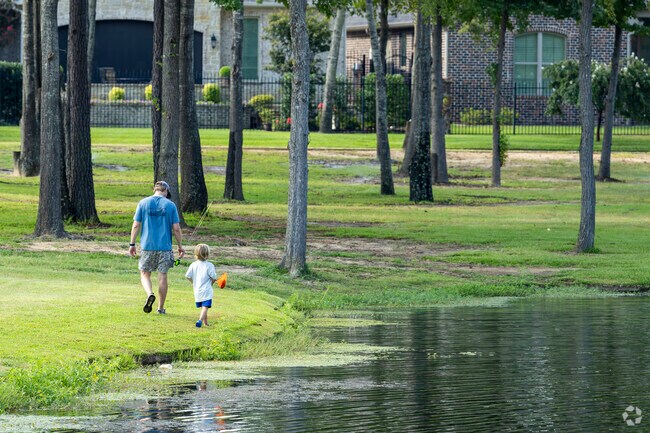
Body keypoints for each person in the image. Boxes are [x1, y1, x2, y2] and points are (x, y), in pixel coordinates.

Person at [129, 181, 185, 314]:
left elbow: (136, 225)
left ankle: (149, 294)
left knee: (144, 273)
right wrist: (180, 246)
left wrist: (132, 244)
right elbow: (176, 228)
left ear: (155, 189)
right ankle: (160, 308)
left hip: (147, 246)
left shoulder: (143, 203)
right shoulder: (170, 205)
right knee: (163, 276)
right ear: (166, 191)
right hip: (165, 247)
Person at [185, 244, 217, 328]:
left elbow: (187, 276)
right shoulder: (209, 265)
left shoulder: (193, 265)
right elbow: (214, 277)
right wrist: (212, 283)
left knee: (202, 307)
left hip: (197, 290)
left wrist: (193, 282)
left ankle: (205, 323)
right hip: (207, 290)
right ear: (207, 254)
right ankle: (200, 320)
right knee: (205, 306)